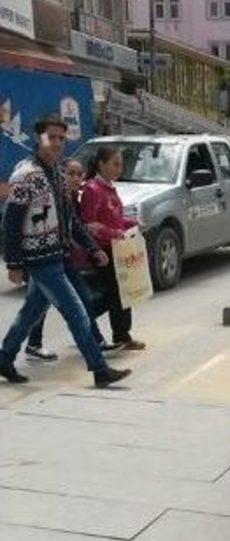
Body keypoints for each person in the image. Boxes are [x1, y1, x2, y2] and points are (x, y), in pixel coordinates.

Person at [0, 115, 130, 387]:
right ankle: (99, 369)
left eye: (62, 137)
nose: (57, 142)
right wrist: (13, 263)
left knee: (29, 314)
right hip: (39, 259)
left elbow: (71, 220)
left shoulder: (59, 174)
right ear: (39, 138)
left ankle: (4, 357)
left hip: (57, 256)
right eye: (51, 137)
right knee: (76, 311)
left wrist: (93, 248)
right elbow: (10, 222)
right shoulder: (25, 175)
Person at [24, 158, 116, 361]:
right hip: (45, 258)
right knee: (50, 306)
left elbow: (75, 226)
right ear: (60, 174)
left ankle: (28, 346)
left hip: (62, 259)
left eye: (79, 174)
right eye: (70, 173)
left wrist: (91, 248)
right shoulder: (52, 196)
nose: (75, 178)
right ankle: (95, 350)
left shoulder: (71, 197)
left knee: (39, 306)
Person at [80, 145, 146, 352]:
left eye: (121, 164)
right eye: (115, 164)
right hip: (102, 251)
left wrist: (132, 223)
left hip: (118, 249)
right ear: (101, 164)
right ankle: (87, 320)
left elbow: (115, 219)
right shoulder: (92, 189)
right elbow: (89, 224)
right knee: (115, 294)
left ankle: (118, 333)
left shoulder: (109, 188)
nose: (119, 169)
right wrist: (114, 233)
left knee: (120, 293)